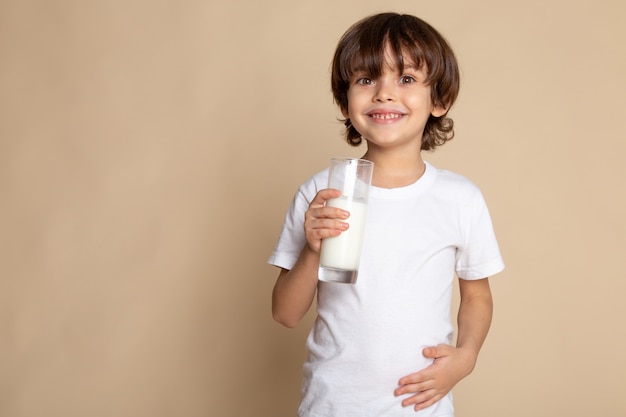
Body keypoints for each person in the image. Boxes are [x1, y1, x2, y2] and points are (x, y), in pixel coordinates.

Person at [268, 12, 504, 417]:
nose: (384, 93)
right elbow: (285, 314)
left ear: (439, 100)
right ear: (346, 101)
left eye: (407, 79)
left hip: (420, 406)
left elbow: (477, 294)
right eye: (365, 80)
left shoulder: (459, 198)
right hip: (332, 404)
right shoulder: (322, 193)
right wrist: (311, 250)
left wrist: (465, 358)